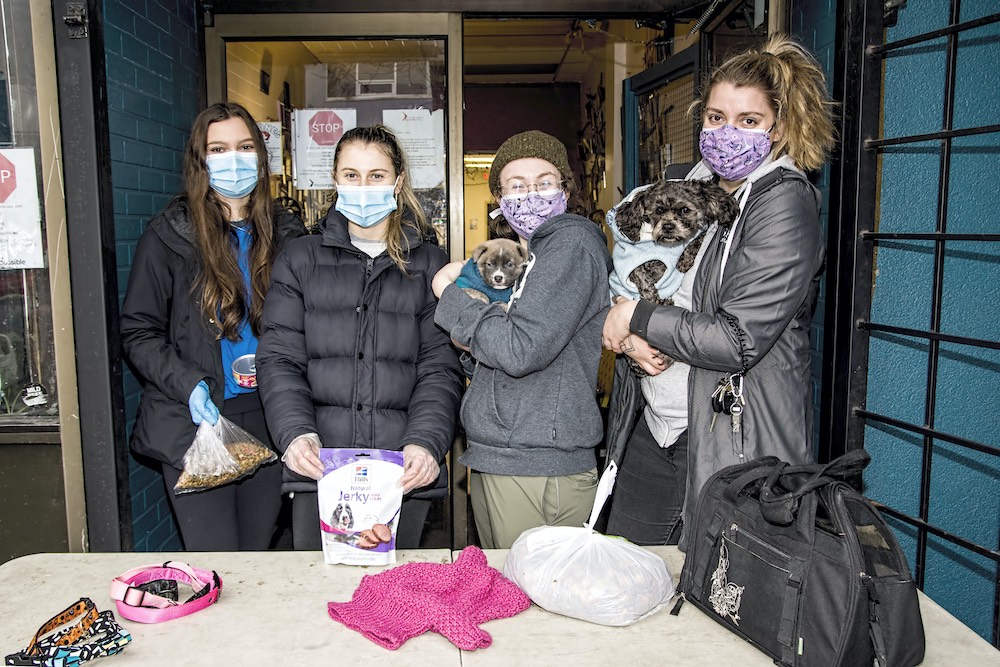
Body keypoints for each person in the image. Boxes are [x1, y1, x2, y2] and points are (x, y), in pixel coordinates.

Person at [602, 33, 836, 546]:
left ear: (778, 129)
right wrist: (630, 327)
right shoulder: (693, 187)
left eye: (748, 121)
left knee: (713, 595)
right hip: (661, 417)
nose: (727, 133)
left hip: (732, 434)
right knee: (626, 567)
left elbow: (738, 339)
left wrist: (637, 318)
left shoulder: (783, 204)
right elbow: (638, 268)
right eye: (715, 118)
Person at [256, 125, 463, 551]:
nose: (363, 186)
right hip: (321, 472)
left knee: (397, 604)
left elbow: (440, 366)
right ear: (335, 180)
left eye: (376, 175)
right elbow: (280, 359)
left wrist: (426, 442)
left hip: (401, 473)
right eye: (351, 175)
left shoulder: (428, 265)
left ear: (398, 180)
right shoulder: (300, 260)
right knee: (318, 601)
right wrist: (295, 433)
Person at [121, 102, 307, 550]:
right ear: (200, 160)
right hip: (196, 422)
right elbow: (137, 331)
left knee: (257, 554)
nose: (234, 159)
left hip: (268, 415)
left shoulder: (288, 234)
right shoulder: (170, 234)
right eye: (219, 148)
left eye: (245, 147)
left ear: (261, 158)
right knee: (217, 561)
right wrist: (189, 385)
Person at [432, 130, 612, 549]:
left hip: (537, 462)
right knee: (509, 594)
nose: (530, 195)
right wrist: (474, 344)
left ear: (566, 189)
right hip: (511, 452)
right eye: (516, 186)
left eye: (544, 182)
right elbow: (499, 352)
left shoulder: (570, 244)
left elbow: (518, 350)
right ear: (498, 198)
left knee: (534, 599)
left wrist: (451, 296)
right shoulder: (534, 259)